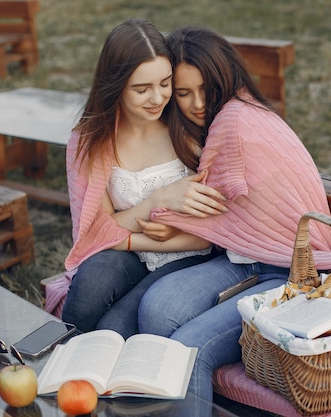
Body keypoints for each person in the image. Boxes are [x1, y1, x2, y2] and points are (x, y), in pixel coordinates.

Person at [137, 26, 331, 408]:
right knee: (157, 310)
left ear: (225, 78)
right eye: (183, 93)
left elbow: (189, 209)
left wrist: (160, 205)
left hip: (292, 273)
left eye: (206, 90)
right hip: (242, 261)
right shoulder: (226, 115)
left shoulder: (236, 120)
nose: (196, 103)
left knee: (187, 348)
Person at [43, 19, 227, 338]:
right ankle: (61, 363)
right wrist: (157, 202)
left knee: (115, 327)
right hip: (130, 253)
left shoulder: (190, 131)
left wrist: (127, 235)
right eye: (142, 89)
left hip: (190, 256)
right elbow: (93, 231)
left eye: (165, 83)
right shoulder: (91, 142)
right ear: (116, 86)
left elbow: (211, 236)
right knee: (89, 289)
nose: (157, 98)